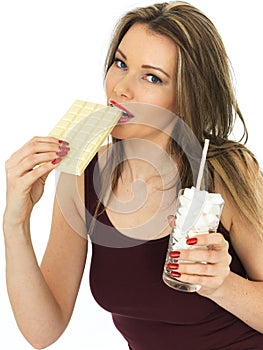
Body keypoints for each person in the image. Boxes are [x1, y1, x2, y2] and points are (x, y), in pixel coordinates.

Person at [3, 1, 263, 349]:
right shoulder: (83, 174)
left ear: (185, 97)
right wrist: (15, 222)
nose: (121, 89)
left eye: (152, 77)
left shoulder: (227, 171)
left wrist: (221, 284)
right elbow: (42, 331)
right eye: (120, 63)